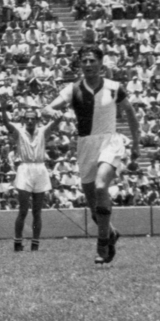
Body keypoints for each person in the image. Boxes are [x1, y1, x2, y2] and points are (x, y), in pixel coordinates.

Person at [41, 46, 141, 265]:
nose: (88, 65)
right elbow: (46, 108)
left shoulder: (114, 88)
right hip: (86, 145)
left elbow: (132, 116)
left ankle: (102, 242)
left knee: (101, 185)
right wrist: (53, 112)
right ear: (80, 64)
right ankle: (111, 233)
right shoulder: (73, 88)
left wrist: (136, 145)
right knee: (94, 204)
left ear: (100, 63)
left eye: (92, 60)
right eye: (84, 61)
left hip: (109, 141)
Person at [7, 104, 52, 252]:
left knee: (37, 211)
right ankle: (17, 242)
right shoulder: (19, 132)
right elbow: (6, 123)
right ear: (24, 120)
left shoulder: (43, 131)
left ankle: (35, 244)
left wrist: (54, 113)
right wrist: (2, 111)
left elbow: (56, 122)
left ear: (37, 120)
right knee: (23, 210)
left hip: (40, 168)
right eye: (27, 119)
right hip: (25, 168)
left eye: (33, 119)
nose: (30, 121)